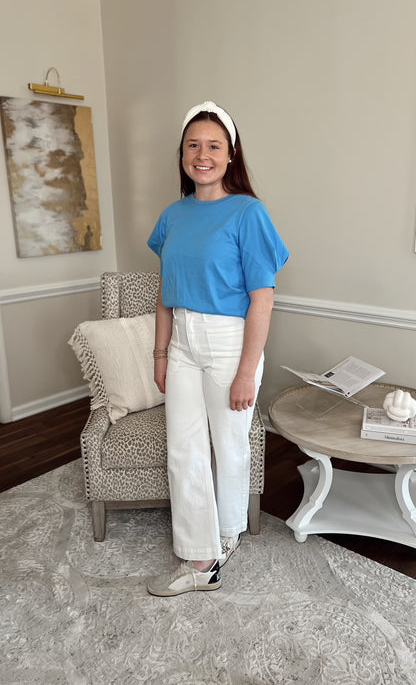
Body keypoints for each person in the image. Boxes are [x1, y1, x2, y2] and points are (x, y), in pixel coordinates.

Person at [146, 100, 289, 597]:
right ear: (182, 154)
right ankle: (200, 556)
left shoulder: (248, 212)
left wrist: (247, 372)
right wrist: (160, 354)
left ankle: (226, 534)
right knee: (183, 450)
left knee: (229, 446)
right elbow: (166, 292)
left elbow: (262, 300)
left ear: (231, 156)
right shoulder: (173, 216)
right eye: (193, 145)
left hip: (231, 344)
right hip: (183, 342)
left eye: (213, 146)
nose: (202, 155)